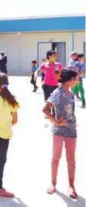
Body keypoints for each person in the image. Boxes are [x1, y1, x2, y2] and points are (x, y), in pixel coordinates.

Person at [42, 69, 78, 199]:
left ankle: (71, 186)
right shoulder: (57, 93)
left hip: (71, 130)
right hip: (59, 131)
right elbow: (45, 109)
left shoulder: (71, 93)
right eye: (74, 79)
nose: (75, 81)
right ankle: (53, 183)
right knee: (56, 158)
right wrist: (56, 122)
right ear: (68, 80)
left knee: (71, 160)